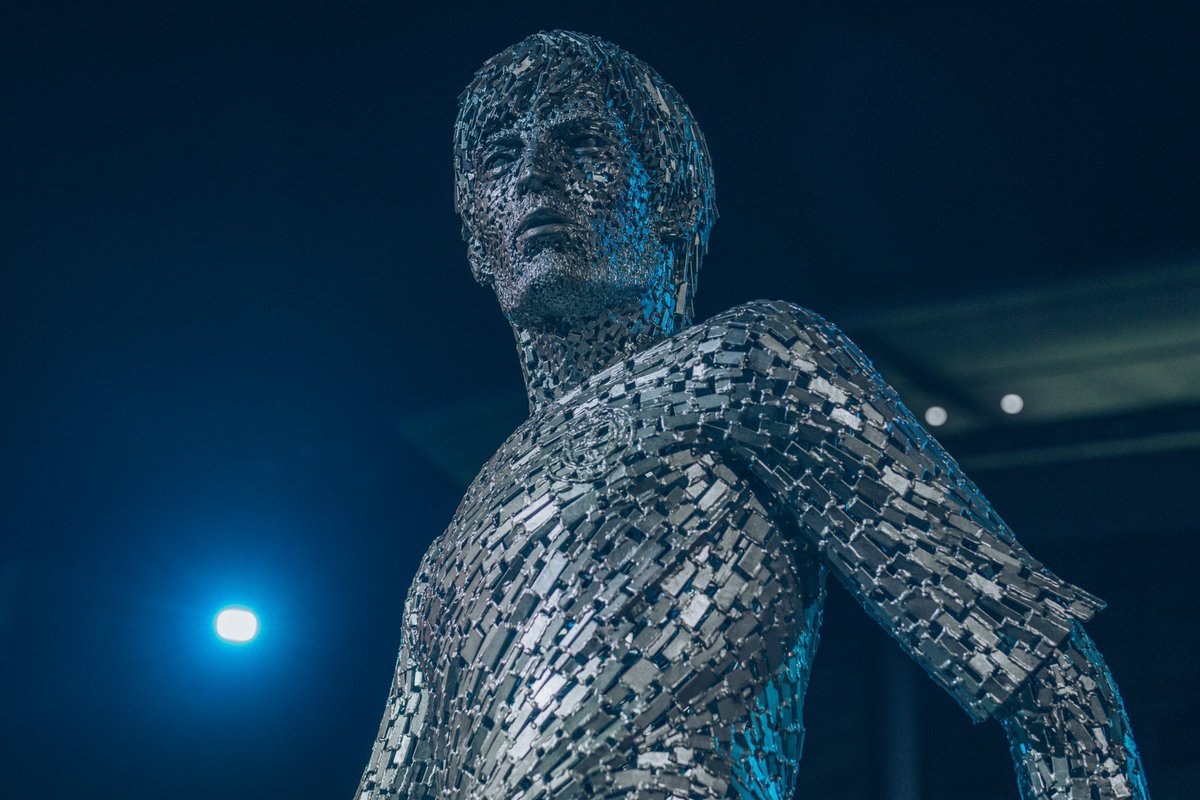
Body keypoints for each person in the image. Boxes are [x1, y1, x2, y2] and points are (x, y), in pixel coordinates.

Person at [356, 31, 1148, 800]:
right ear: (473, 240)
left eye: (581, 144)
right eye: (500, 157)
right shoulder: (451, 552)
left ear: (669, 195)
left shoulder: (750, 362)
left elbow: (1058, 691)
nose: (535, 175)